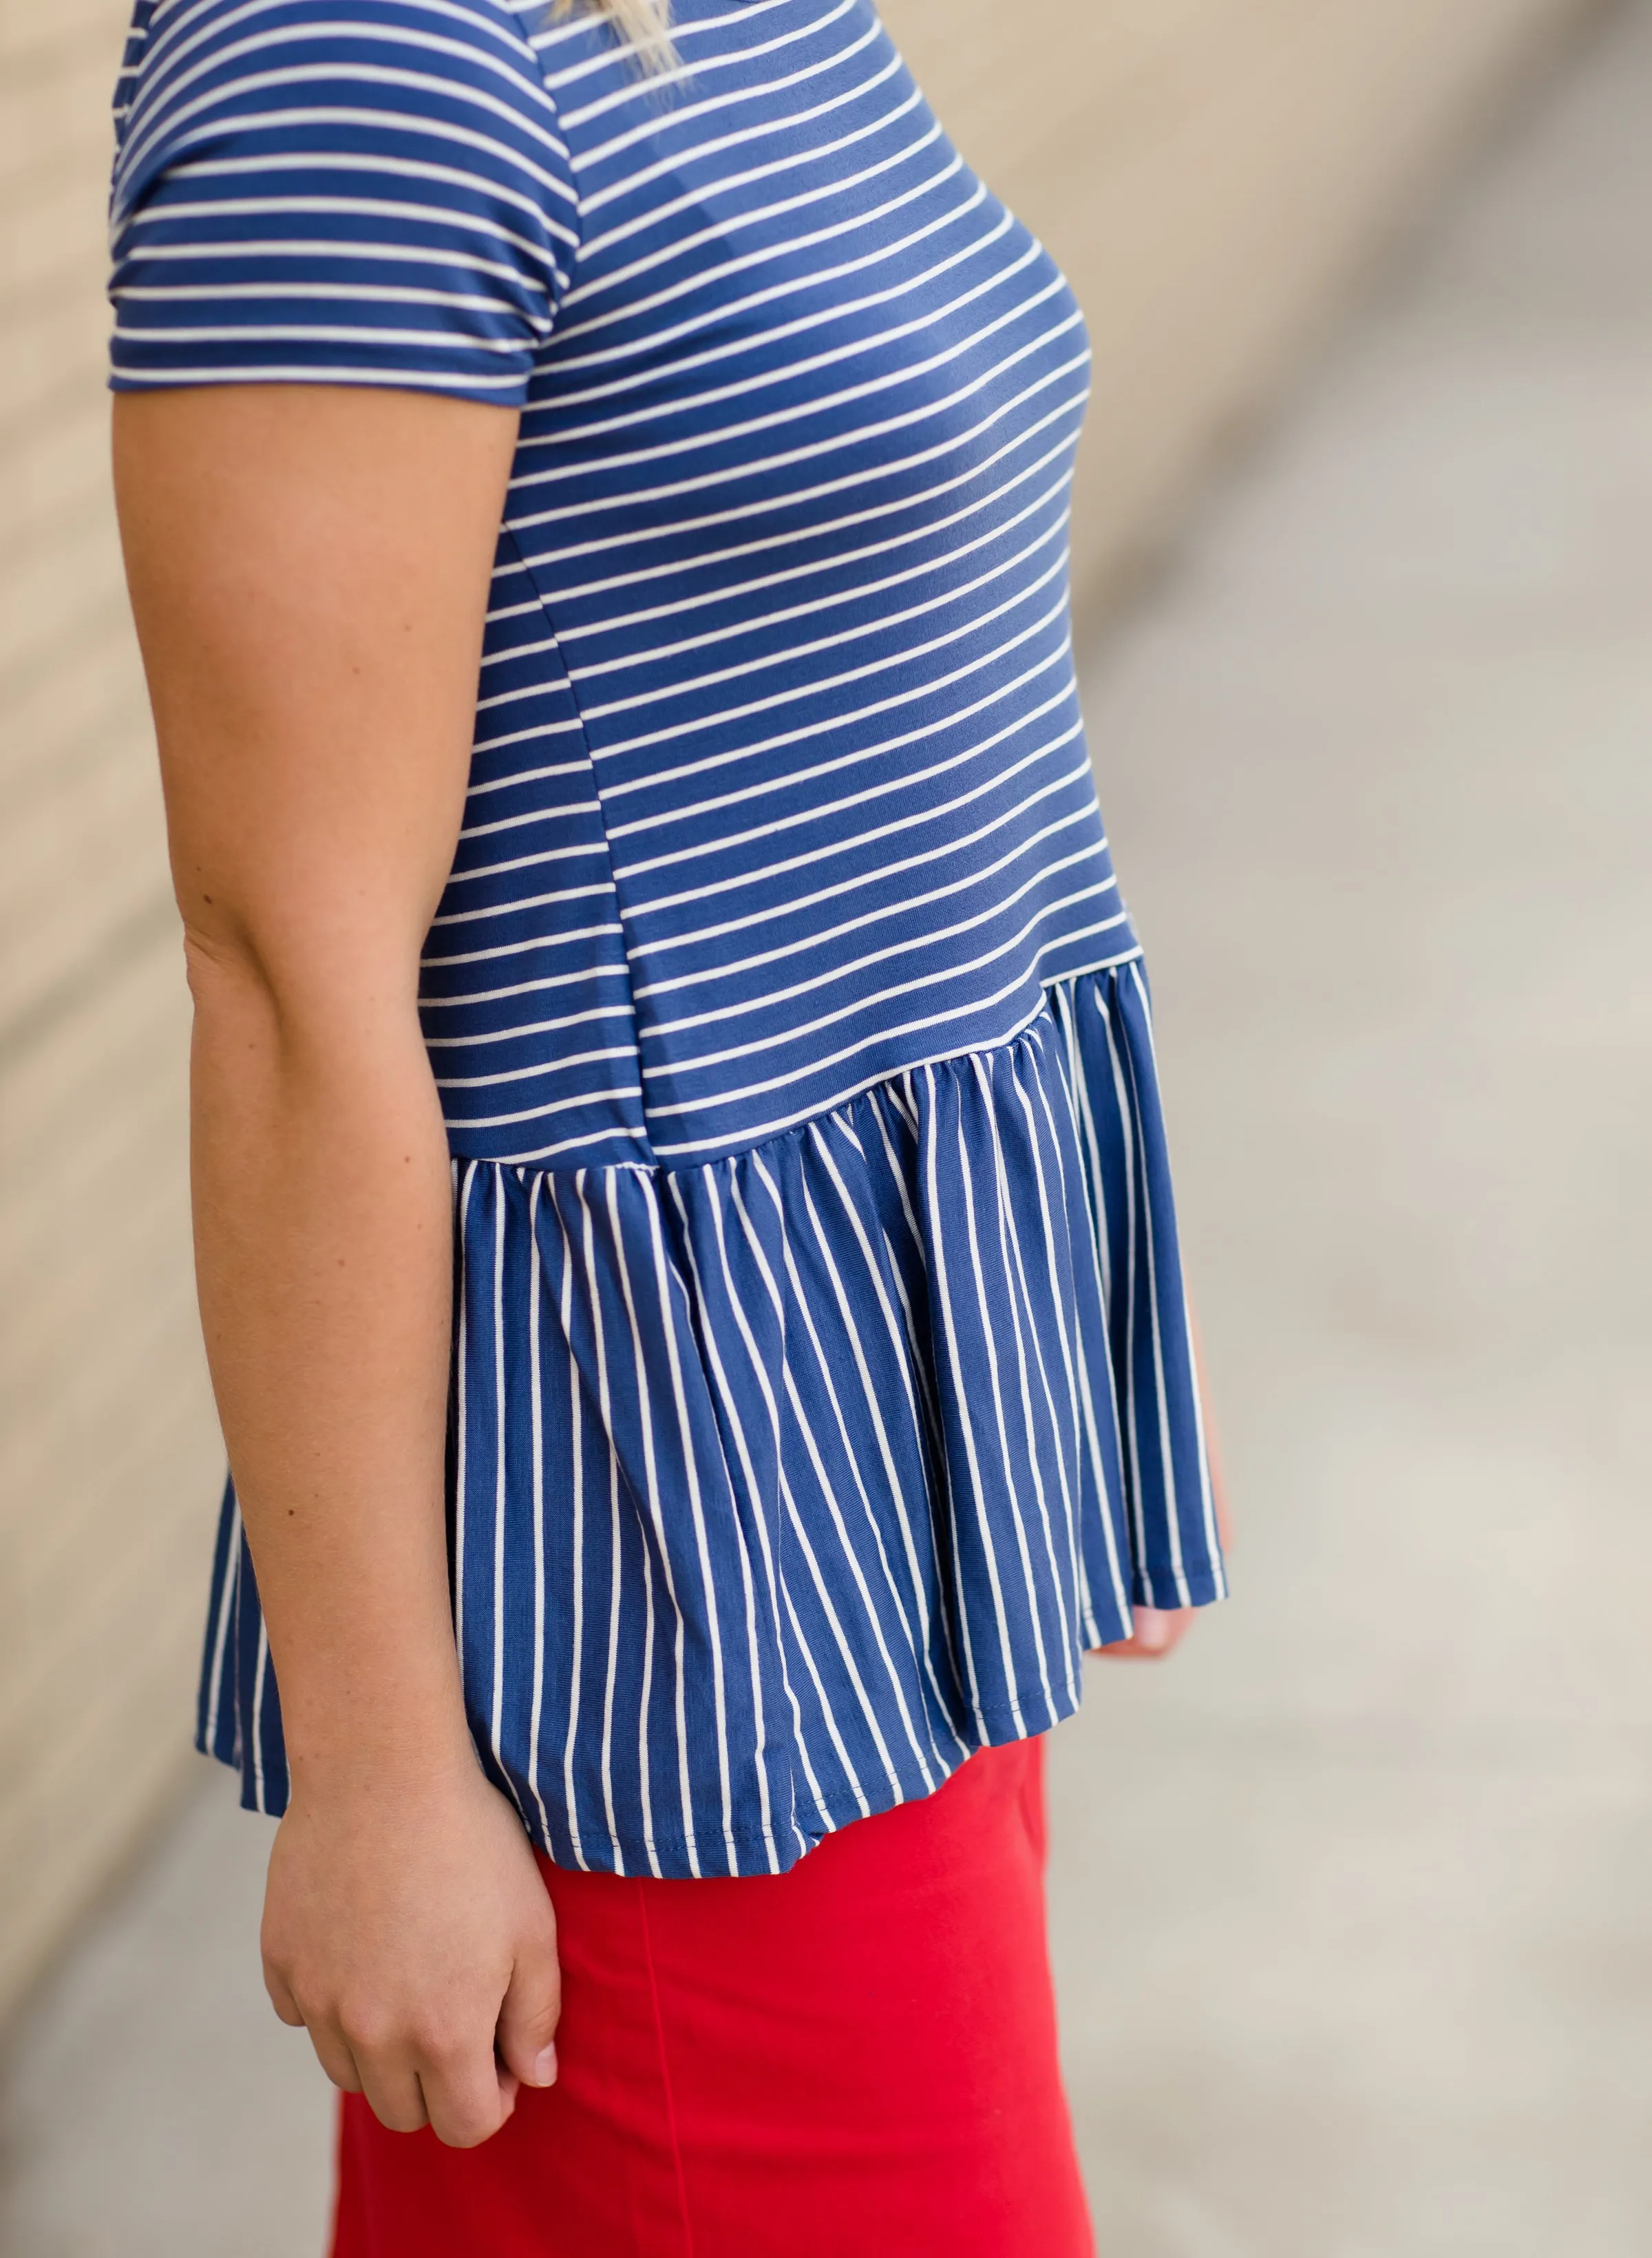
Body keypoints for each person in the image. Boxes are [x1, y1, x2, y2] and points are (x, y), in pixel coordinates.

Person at [107, 0, 1230, 2247]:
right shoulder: (362, 61)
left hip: (863, 1501)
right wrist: (386, 1773)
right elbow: (283, 966)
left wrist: (1026, 1391)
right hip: (662, 1560)